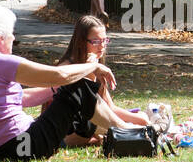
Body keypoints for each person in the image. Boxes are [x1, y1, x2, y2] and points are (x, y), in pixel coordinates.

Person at [0, 5, 131, 162]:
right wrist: (92, 66)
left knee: (73, 85)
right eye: (11, 33)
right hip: (23, 145)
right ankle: (129, 133)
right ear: (0, 38)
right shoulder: (1, 62)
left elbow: (21, 97)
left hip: (0, 150)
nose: (13, 37)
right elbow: (59, 74)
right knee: (78, 84)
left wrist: (58, 88)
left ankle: (124, 129)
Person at [53, 15, 150, 146]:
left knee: (140, 118)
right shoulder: (66, 68)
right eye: (96, 41)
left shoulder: (97, 66)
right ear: (81, 42)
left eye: (105, 40)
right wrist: (89, 71)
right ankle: (135, 132)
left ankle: (135, 130)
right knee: (111, 127)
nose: (102, 46)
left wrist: (141, 120)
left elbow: (109, 108)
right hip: (68, 129)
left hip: (89, 127)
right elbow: (85, 103)